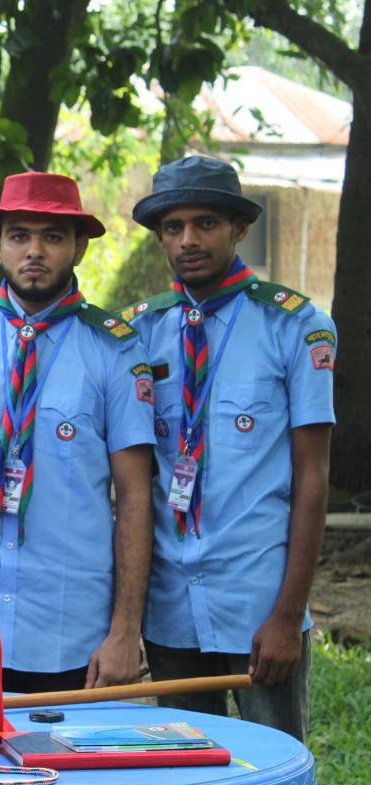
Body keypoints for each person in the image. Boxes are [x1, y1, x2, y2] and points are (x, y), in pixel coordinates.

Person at [120, 155, 335, 741]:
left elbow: (312, 474)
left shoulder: (295, 326)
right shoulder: (137, 333)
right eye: (173, 226)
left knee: (275, 768)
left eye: (207, 222)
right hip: (169, 607)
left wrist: (289, 615)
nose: (189, 239)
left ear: (240, 228)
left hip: (258, 602)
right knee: (188, 772)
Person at [0, 172, 155, 693]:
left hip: (69, 629)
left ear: (78, 247)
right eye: (19, 236)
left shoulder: (116, 351)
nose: (34, 251)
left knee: (71, 771)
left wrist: (125, 631)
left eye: (53, 237)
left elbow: (136, 496)